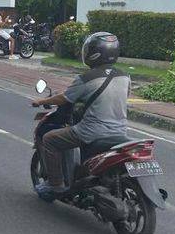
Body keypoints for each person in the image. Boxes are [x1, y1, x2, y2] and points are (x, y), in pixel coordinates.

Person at [31, 32, 130, 200]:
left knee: (49, 139)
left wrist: (41, 101)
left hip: (91, 131)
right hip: (120, 132)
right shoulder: (124, 76)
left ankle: (55, 184)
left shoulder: (86, 78)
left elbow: (65, 98)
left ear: (93, 54)